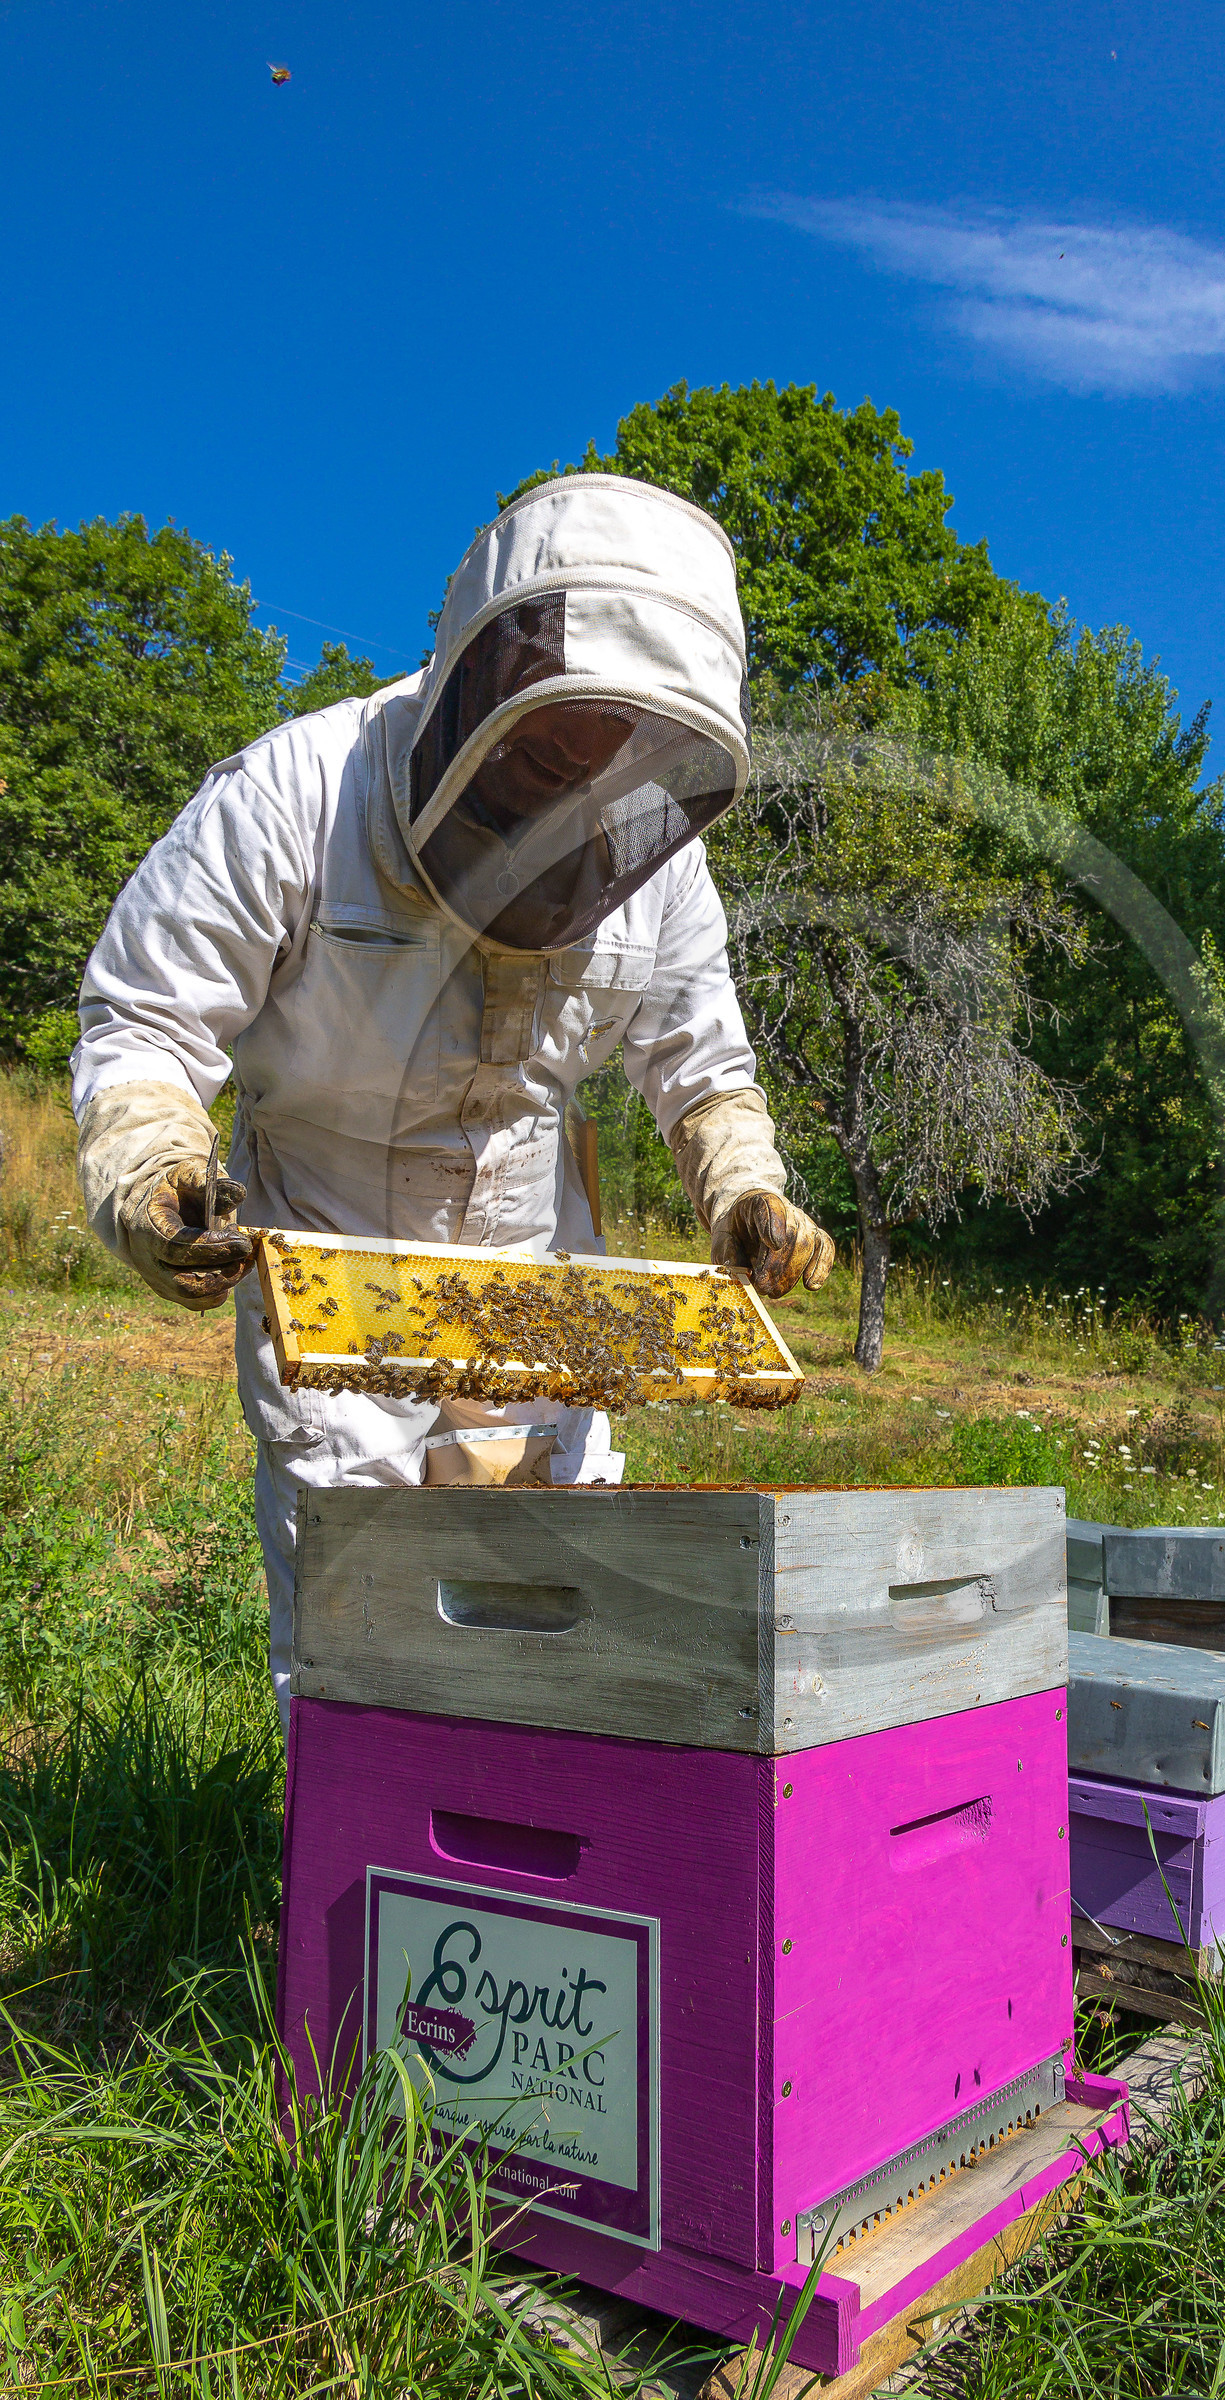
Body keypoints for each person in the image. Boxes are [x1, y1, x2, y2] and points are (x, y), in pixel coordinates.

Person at [72, 475, 834, 1729]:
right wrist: (154, 1172)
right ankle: (361, 1882)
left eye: (609, 768)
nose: (566, 800)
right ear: (472, 687)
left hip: (540, 1259)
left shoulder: (660, 865)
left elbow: (702, 1063)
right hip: (331, 1237)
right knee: (365, 1607)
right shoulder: (295, 797)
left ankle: (545, 1879)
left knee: (555, 1592)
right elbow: (146, 1017)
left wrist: (745, 1188)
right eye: (542, 757)